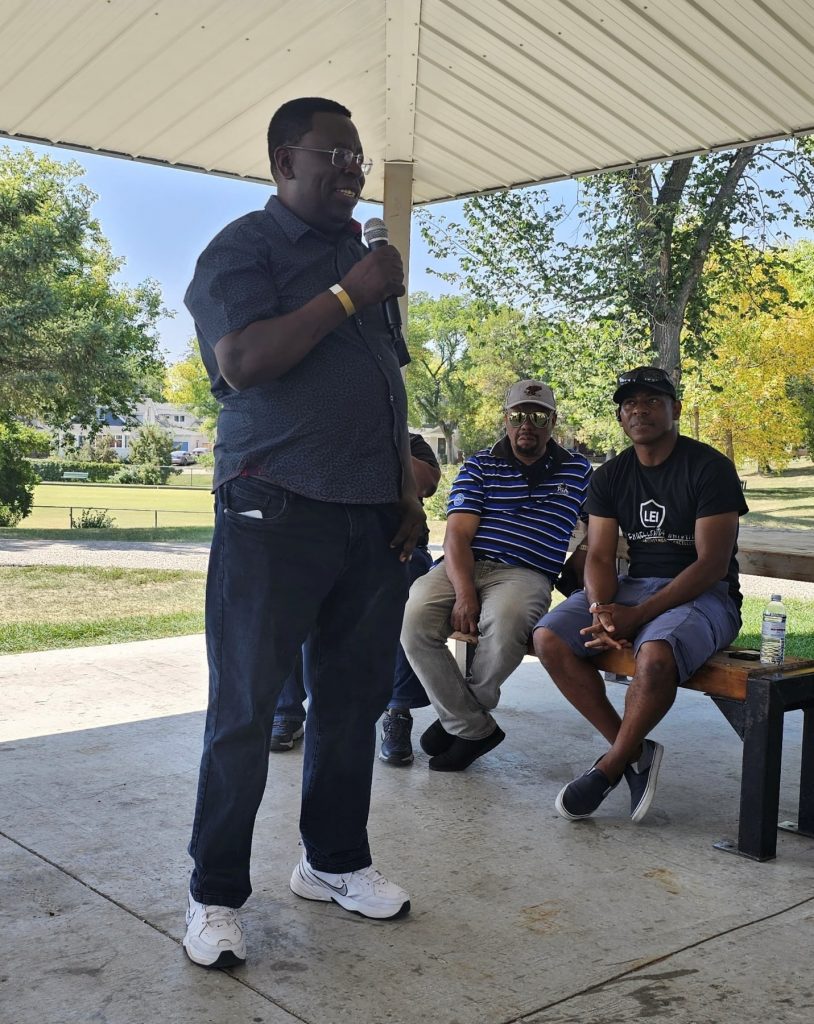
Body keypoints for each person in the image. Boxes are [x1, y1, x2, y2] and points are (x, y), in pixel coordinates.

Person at [181, 96, 426, 968]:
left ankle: (333, 862)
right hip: (272, 513)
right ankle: (213, 894)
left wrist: (405, 491)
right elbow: (242, 363)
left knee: (351, 705)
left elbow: (384, 386)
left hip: (369, 519)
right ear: (285, 161)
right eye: (335, 155)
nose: (353, 170)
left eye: (359, 157)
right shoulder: (244, 249)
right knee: (245, 713)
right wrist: (344, 295)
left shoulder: (360, 259)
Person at [535, 366, 748, 824]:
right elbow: (597, 555)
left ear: (676, 409)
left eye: (652, 400)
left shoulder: (710, 468)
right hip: (634, 587)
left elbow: (711, 563)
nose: (640, 410)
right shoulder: (611, 475)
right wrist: (600, 610)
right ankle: (634, 751)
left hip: (706, 594)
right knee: (549, 637)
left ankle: (609, 767)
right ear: (620, 417)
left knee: (654, 655)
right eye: (631, 403)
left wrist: (638, 615)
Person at [400, 380, 593, 772]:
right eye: (518, 415)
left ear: (553, 421)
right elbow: (456, 536)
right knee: (413, 620)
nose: (528, 424)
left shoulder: (579, 471)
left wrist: (587, 554)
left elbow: (603, 526)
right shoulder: (480, 464)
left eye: (538, 416)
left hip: (526, 573)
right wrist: (465, 590)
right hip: (466, 563)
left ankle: (461, 721)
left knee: (505, 625)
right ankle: (474, 727)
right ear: (506, 419)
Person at [270, 433, 442, 765]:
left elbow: (425, 484)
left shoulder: (409, 441)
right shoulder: (326, 434)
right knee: (291, 590)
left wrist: (380, 441)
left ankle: (397, 710)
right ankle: (287, 710)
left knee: (411, 601)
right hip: (331, 546)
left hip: (398, 551)